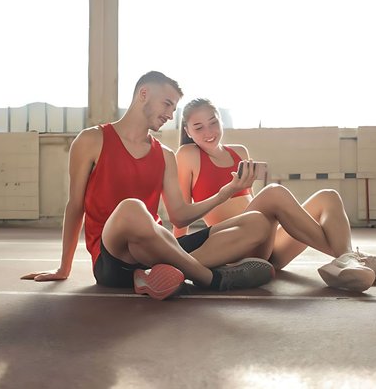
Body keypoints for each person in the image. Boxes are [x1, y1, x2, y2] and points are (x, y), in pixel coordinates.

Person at [21, 72, 275, 300]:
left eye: (174, 108)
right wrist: (63, 268)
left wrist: (225, 193)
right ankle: (210, 278)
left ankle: (161, 274)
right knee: (132, 209)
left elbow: (179, 215)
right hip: (115, 260)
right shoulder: (91, 140)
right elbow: (75, 206)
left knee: (257, 222)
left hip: (158, 249)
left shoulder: (164, 154)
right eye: (167, 103)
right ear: (144, 94)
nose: (170, 114)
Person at [174, 98, 376, 292]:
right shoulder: (188, 154)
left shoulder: (239, 152)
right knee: (274, 192)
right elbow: (180, 213)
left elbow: (251, 203)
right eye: (199, 127)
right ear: (188, 131)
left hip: (268, 246)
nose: (209, 132)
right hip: (238, 246)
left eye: (213, 122)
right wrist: (175, 247)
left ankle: (346, 259)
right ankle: (351, 257)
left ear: (220, 120)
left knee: (328, 196)